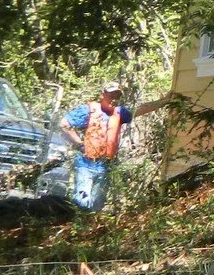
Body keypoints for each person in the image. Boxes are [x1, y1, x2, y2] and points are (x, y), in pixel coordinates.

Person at [57, 82, 166, 213]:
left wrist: (163, 101)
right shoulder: (89, 110)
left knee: (98, 204)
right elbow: (64, 124)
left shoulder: (119, 113)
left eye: (117, 95)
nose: (114, 97)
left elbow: (140, 109)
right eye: (111, 94)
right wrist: (79, 144)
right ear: (103, 94)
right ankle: (76, 228)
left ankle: (91, 231)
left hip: (106, 166)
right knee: (82, 201)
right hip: (86, 164)